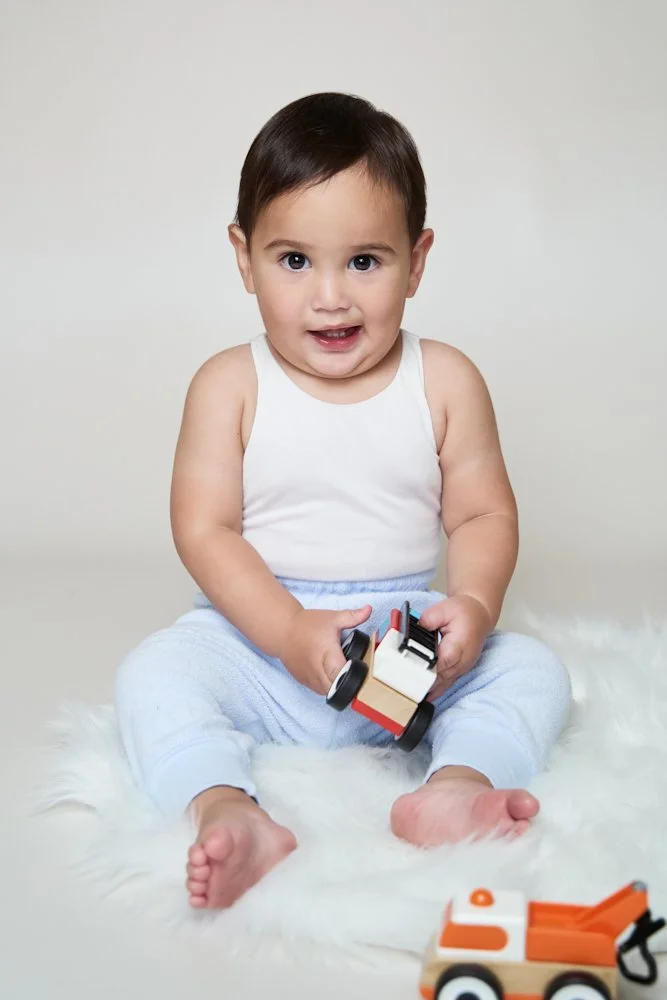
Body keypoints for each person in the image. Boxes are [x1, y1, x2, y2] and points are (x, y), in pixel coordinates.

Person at [114, 92, 572, 911]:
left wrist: (470, 601)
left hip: (402, 655)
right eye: (294, 261)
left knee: (530, 669)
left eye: (364, 261)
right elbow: (203, 528)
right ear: (242, 255)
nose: (330, 297)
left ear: (417, 258)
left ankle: (450, 786)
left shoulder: (444, 379)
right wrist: (286, 634)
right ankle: (228, 808)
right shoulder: (229, 384)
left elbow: (479, 515)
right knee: (156, 671)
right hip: (260, 645)